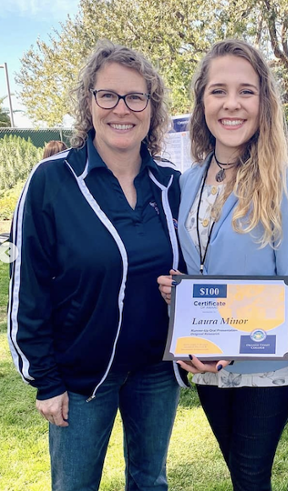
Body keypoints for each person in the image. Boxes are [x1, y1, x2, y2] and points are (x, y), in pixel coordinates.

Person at [8, 41, 187, 491]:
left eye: (135, 97)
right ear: (89, 102)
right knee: (75, 486)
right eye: (107, 95)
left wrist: (188, 289)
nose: (121, 109)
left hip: (155, 372)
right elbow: (28, 288)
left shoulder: (171, 185)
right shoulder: (52, 182)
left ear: (152, 107)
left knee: (150, 481)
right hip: (81, 375)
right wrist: (45, 380)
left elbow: (191, 267)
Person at [158, 39, 288, 491]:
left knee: (250, 478)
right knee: (238, 475)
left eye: (246, 91)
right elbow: (202, 269)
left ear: (264, 101)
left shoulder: (287, 180)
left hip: (263, 365)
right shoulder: (188, 180)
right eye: (218, 90)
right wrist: (180, 291)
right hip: (205, 361)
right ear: (202, 100)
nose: (232, 104)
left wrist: (234, 343)